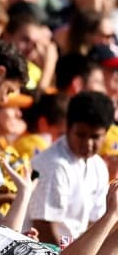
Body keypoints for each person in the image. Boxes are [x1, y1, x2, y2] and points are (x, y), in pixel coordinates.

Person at [25, 91, 114, 245]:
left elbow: (94, 223)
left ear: (106, 134)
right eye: (81, 135)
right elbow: (42, 227)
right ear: (68, 128)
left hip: (73, 254)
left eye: (95, 137)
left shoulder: (98, 166)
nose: (88, 143)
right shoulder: (52, 165)